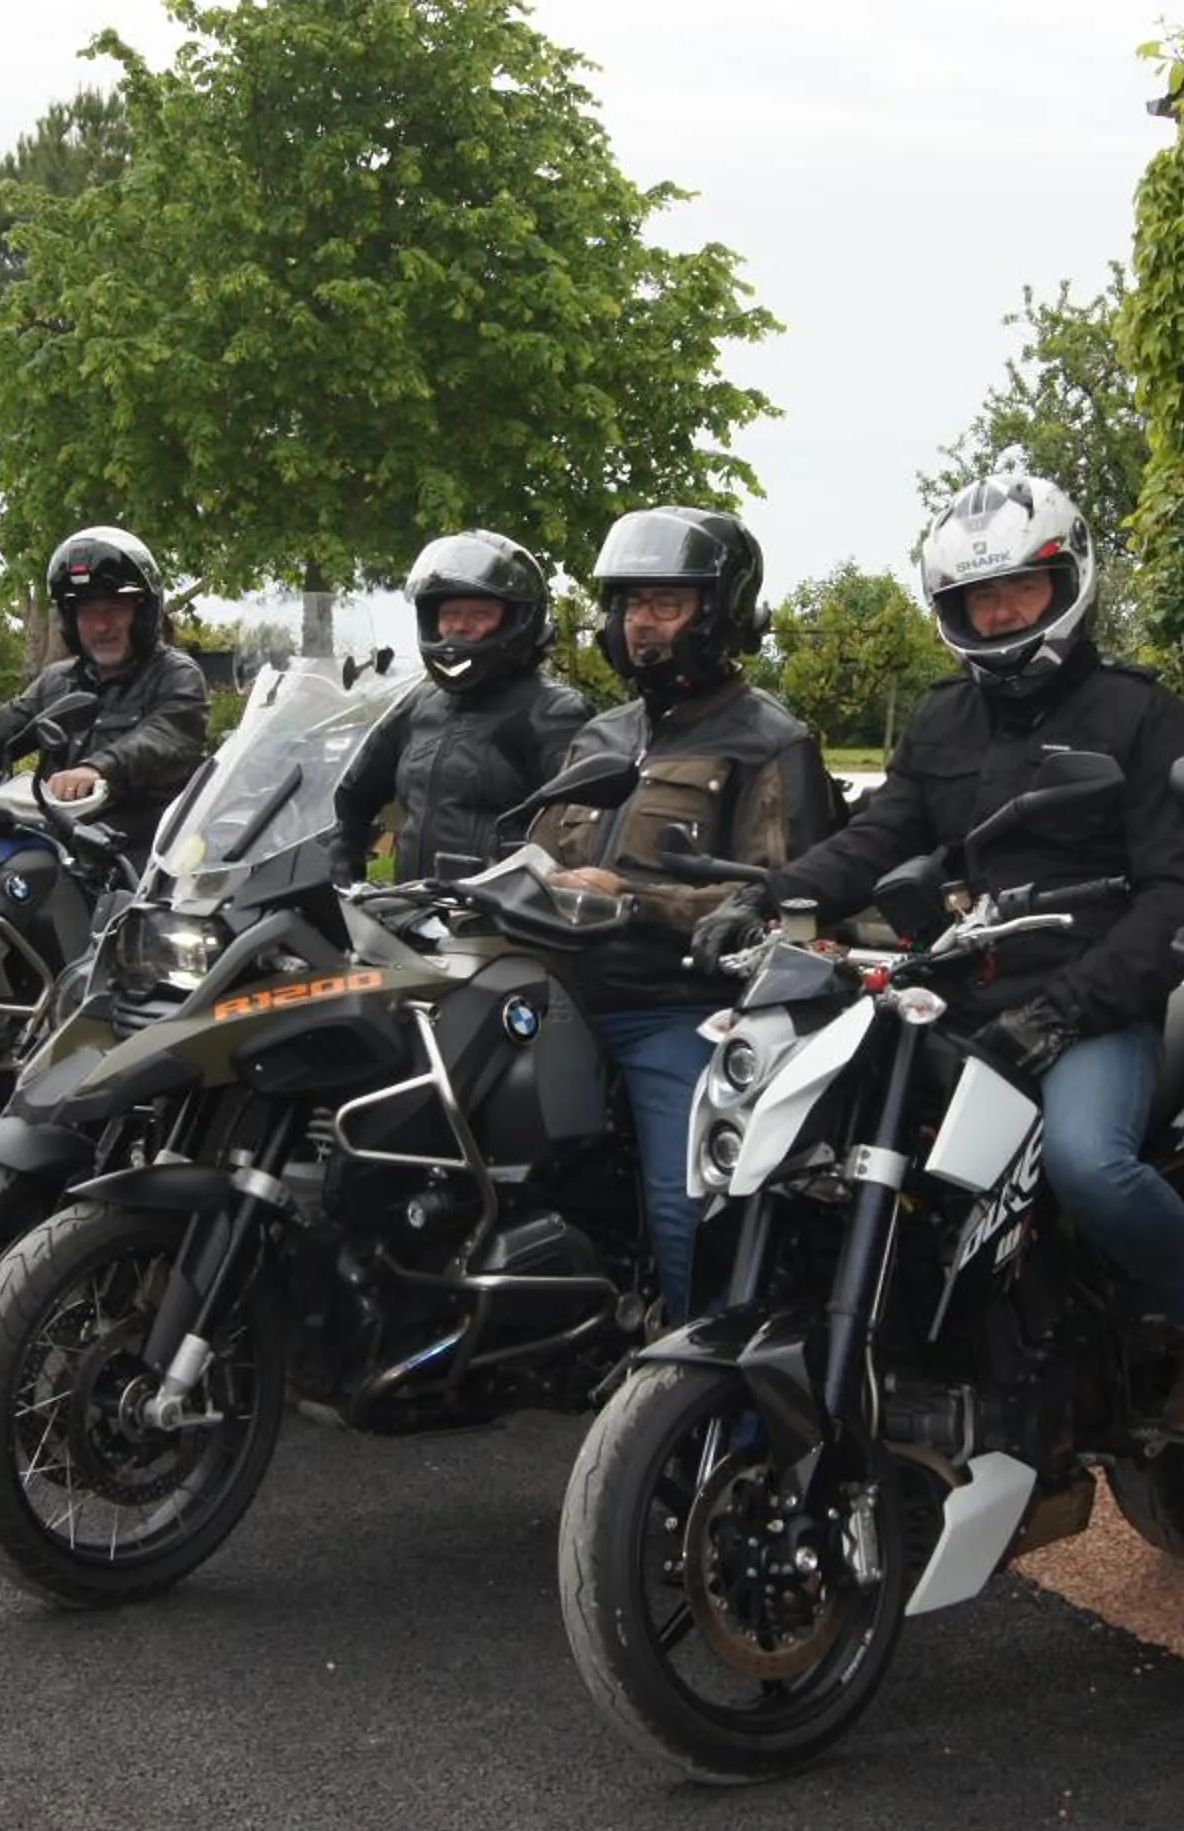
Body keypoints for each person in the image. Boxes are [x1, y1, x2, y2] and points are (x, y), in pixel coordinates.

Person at [688, 472, 1184, 1436]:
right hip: (957, 991)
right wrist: (764, 899)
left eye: (1021, 588)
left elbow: (1181, 893)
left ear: (1067, 583)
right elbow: (878, 837)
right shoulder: (943, 716)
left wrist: (1068, 1010)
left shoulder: (1140, 715)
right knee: (830, 1130)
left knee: (1088, 1164)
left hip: (1091, 1005)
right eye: (979, 598)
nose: (1001, 613)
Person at [527, 506, 835, 1322]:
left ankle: (704, 1375)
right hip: (556, 994)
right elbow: (537, 857)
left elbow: (789, 900)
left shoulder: (769, 741)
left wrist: (632, 899)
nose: (642, 623)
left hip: (674, 1006)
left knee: (683, 1203)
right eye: (632, 604)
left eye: (666, 603)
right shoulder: (600, 734)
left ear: (719, 613)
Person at [0, 526, 209, 860]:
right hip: (64, 855)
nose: (101, 625)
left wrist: (98, 769)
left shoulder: (175, 675)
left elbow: (164, 738)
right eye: (88, 611)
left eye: (115, 607)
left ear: (143, 611)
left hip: (141, 863)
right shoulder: (59, 681)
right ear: (71, 619)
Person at [328, 530, 593, 883]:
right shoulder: (416, 708)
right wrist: (342, 870)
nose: (460, 627)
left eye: (480, 614)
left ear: (518, 619)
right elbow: (350, 795)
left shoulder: (553, 713)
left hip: (498, 914)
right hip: (410, 909)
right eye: (450, 613)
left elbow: (582, 832)